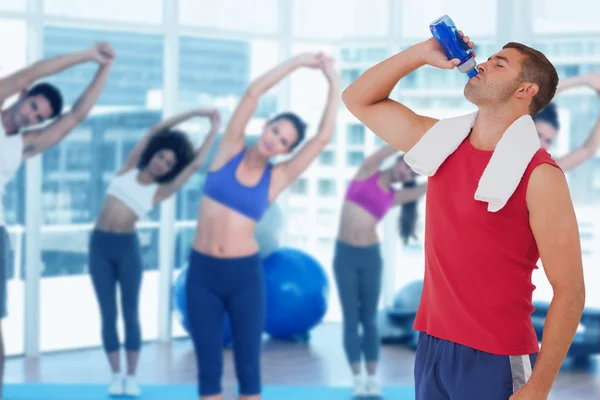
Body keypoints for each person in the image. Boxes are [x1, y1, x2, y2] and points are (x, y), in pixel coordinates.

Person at [342, 31, 585, 400]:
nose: (483, 64)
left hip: (497, 355)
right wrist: (422, 53)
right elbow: (357, 99)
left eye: (499, 64)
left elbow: (570, 292)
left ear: (525, 90)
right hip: (433, 345)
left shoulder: (541, 177)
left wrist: (539, 387)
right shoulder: (439, 144)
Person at [186, 52, 340, 400]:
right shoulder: (229, 149)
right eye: (276, 130)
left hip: (244, 277)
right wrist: (298, 63)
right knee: (209, 370)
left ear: (286, 151)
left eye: (284, 141)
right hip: (202, 273)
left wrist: (333, 82)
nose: (276, 140)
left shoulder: (277, 178)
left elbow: (321, 138)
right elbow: (253, 92)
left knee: (248, 370)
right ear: (266, 125)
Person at [0, 42, 115, 398]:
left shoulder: (25, 145)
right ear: (23, 95)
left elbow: (76, 116)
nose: (32, 117)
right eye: (33, 106)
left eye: (39, 118)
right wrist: (85, 55)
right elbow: (33, 71)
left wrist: (103, 70)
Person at [90, 108, 221, 397]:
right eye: (161, 156)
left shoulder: (162, 191)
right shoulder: (128, 167)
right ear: (153, 155)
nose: (162, 163)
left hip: (126, 249)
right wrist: (196, 113)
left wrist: (212, 130)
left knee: (130, 312)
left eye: (169, 162)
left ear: (172, 169)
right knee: (108, 314)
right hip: (99, 246)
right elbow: (157, 130)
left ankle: (132, 377)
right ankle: (115, 375)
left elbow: (196, 164)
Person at [334, 144, 426, 398]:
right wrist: (409, 137)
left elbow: (430, 186)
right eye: (406, 166)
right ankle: (357, 379)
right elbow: (386, 149)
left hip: (370, 257)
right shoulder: (367, 171)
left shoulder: (395, 197)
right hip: (345, 256)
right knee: (351, 319)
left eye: (412, 174)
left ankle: (373, 380)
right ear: (398, 161)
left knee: (369, 320)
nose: (406, 174)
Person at [534, 72, 600, 171]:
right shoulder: (507, 148)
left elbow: (589, 149)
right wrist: (585, 80)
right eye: (538, 135)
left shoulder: (546, 171)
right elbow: (536, 98)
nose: (541, 144)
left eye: (548, 141)